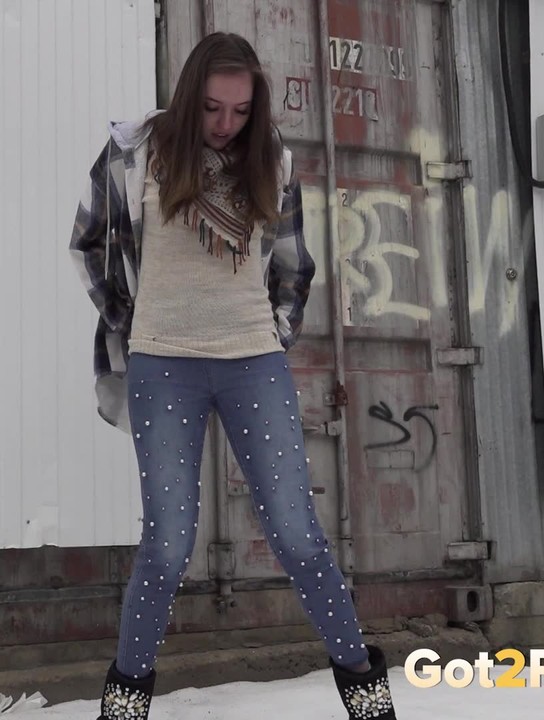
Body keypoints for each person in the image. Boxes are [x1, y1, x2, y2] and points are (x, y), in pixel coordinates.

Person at [68, 32, 398, 720]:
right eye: (213, 108)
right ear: (190, 96)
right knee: (167, 547)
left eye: (241, 110)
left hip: (252, 362)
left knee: (299, 538)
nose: (226, 123)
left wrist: (276, 333)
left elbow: (295, 266)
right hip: (164, 365)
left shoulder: (271, 161)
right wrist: (131, 319)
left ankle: (367, 695)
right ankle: (123, 704)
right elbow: (90, 241)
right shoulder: (135, 154)